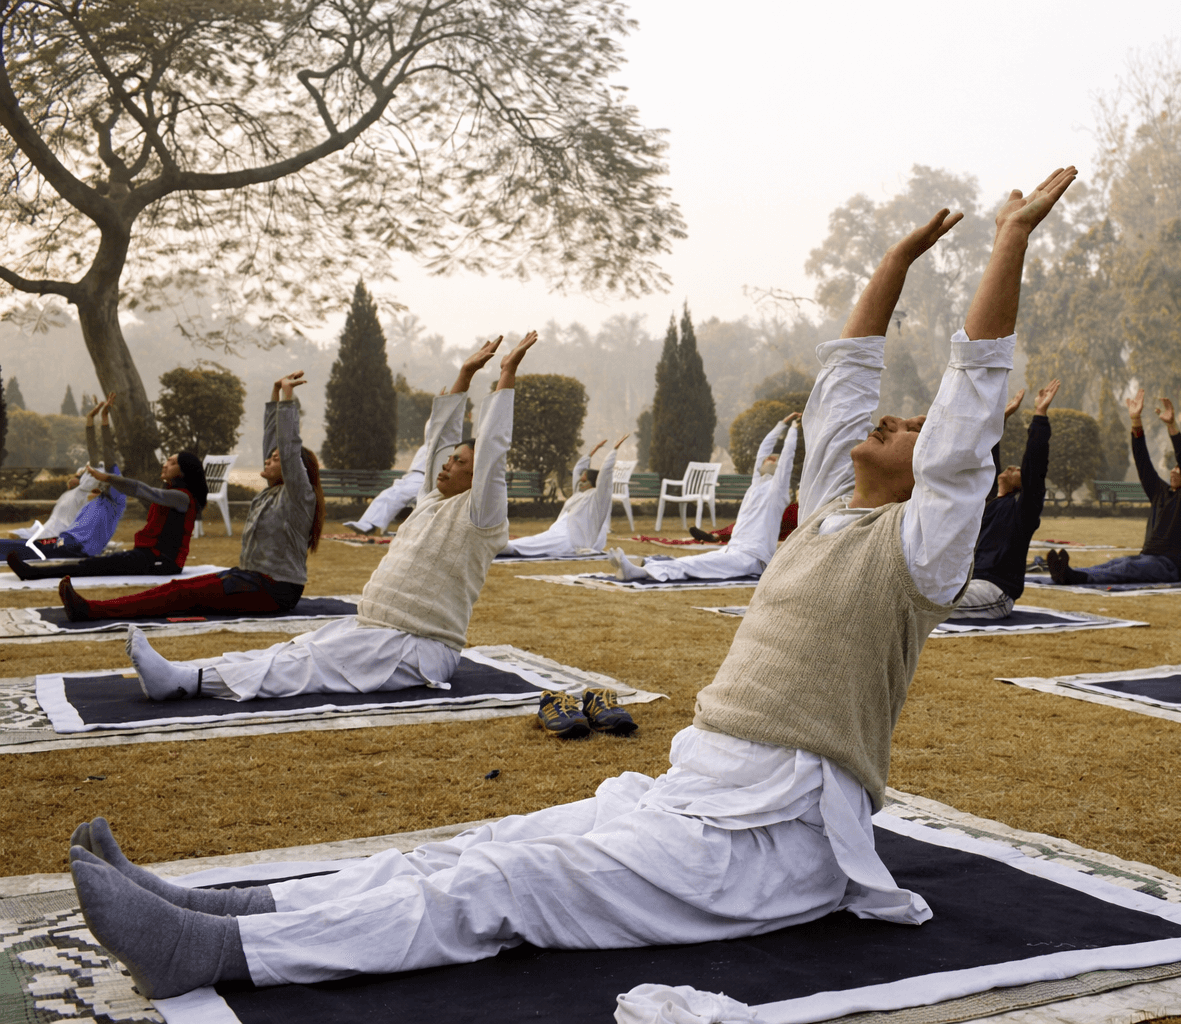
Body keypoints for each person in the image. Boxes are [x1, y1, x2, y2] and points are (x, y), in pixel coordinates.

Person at [65, 166, 1077, 1000]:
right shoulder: (833, 506)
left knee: (511, 883)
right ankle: (232, 909)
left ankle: (221, 957)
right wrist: (895, 263)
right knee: (482, 844)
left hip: (776, 843)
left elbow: (965, 416)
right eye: (886, 418)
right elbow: (848, 369)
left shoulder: (921, 549)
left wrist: (1007, 245)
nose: (891, 423)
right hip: (693, 792)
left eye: (905, 427)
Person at [118, 332, 534, 703]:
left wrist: (505, 375)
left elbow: (494, 448)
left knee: (303, 666)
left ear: (478, 479)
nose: (445, 465)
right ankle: (185, 674)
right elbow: (439, 437)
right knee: (291, 651)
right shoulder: (430, 500)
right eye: (449, 459)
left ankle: (189, 683)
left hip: (419, 647)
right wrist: (463, 375)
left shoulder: (482, 517)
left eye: (459, 462)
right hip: (373, 628)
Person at [57, 373, 324, 621]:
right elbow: (275, 445)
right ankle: (92, 608)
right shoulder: (271, 494)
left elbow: (289, 449)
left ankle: (92, 611)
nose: (269, 459)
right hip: (251, 578)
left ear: (293, 470)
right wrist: (274, 395)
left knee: (180, 596)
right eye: (270, 456)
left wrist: (287, 401)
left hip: (275, 589)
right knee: (177, 587)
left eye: (277, 460)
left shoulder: (298, 496)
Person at [607, 414, 799, 582]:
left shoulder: (778, 491)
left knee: (697, 564)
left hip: (753, 558)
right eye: (767, 459)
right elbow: (762, 451)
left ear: (778, 467)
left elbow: (788, 459)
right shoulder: (757, 485)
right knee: (695, 562)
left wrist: (793, 430)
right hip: (734, 549)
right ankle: (641, 570)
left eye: (772, 459)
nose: (766, 459)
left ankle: (640, 571)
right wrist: (780, 425)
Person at [1045, 390, 1181, 586]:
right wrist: (1136, 420)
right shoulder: (1161, 493)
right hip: (1147, 557)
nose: (1175, 471)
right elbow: (1143, 462)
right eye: (1175, 467)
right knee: (1117, 563)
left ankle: (1076, 577)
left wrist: (1172, 426)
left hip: (1170, 566)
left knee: (1127, 568)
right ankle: (1066, 572)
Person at [7, 437, 209, 582]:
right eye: (167, 460)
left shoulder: (182, 498)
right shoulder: (171, 496)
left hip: (161, 562)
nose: (165, 465)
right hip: (146, 555)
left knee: (92, 566)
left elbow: (141, 489)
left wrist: (109, 479)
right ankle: (29, 569)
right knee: (92, 564)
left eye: (172, 463)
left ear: (183, 472)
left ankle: (32, 573)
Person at [951, 380, 1059, 618]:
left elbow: (1035, 469)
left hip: (995, 592)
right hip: (966, 584)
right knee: (920, 595)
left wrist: (1039, 414)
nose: (1012, 467)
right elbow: (988, 458)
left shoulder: (1023, 511)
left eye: (1019, 470)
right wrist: (1003, 418)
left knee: (927, 606)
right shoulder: (988, 503)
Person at [0, 395, 127, 564]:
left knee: (29, 547)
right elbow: (94, 451)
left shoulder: (116, 498)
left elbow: (106, 451)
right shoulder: (95, 500)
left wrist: (104, 420)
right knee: (31, 545)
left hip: (74, 546)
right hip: (64, 541)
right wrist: (92, 419)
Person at [343, 393, 461, 536]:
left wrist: (442, 405)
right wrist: (439, 406)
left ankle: (370, 525)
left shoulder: (445, 443)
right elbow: (432, 426)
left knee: (401, 497)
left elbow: (435, 425)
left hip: (426, 479)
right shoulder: (431, 442)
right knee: (389, 494)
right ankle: (368, 524)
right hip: (415, 476)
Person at [500, 434, 629, 558]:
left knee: (532, 546)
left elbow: (605, 476)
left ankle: (502, 548)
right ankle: (500, 547)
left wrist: (614, 451)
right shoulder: (579, 495)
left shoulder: (598, 498)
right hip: (558, 532)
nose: (580, 482)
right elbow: (578, 470)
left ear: (592, 483)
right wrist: (590, 453)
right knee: (533, 542)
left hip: (571, 541)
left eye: (584, 481)